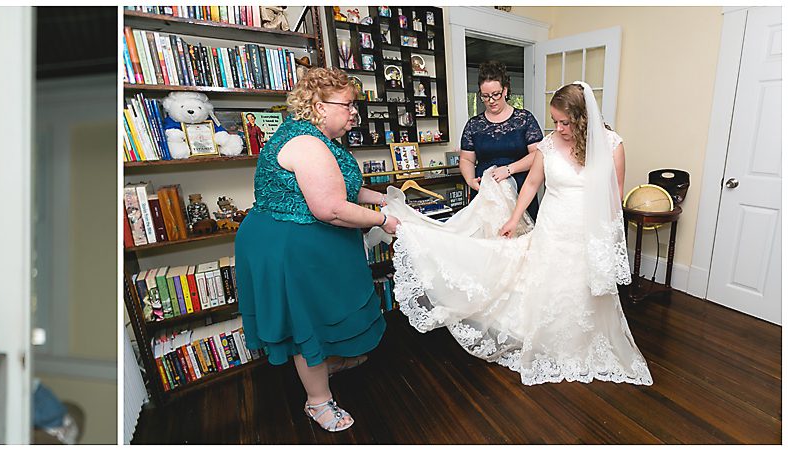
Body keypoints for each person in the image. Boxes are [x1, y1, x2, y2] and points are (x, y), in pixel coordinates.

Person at [387, 82, 650, 386]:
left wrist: (605, 240)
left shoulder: (612, 145)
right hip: (553, 226)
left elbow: (614, 195)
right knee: (550, 283)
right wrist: (513, 218)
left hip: (586, 229)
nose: (559, 128)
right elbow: (531, 184)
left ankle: (582, 341)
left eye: (565, 122)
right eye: (555, 121)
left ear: (582, 119)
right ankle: (548, 339)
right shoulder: (548, 146)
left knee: (582, 286)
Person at [234, 67, 394, 433]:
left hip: (312, 242)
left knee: (325, 311)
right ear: (319, 106)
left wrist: (384, 199)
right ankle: (317, 402)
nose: (355, 112)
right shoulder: (305, 144)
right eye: (349, 104)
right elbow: (331, 207)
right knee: (305, 320)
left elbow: (345, 188)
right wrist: (383, 221)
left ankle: (326, 363)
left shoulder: (324, 142)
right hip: (287, 246)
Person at [460, 60, 546, 218]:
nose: (491, 100)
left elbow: (538, 155)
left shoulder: (525, 119)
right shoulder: (473, 125)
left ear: (505, 90)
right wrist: (470, 180)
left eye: (496, 94)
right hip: (485, 193)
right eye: (485, 96)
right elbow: (466, 159)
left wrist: (509, 169)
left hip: (520, 190)